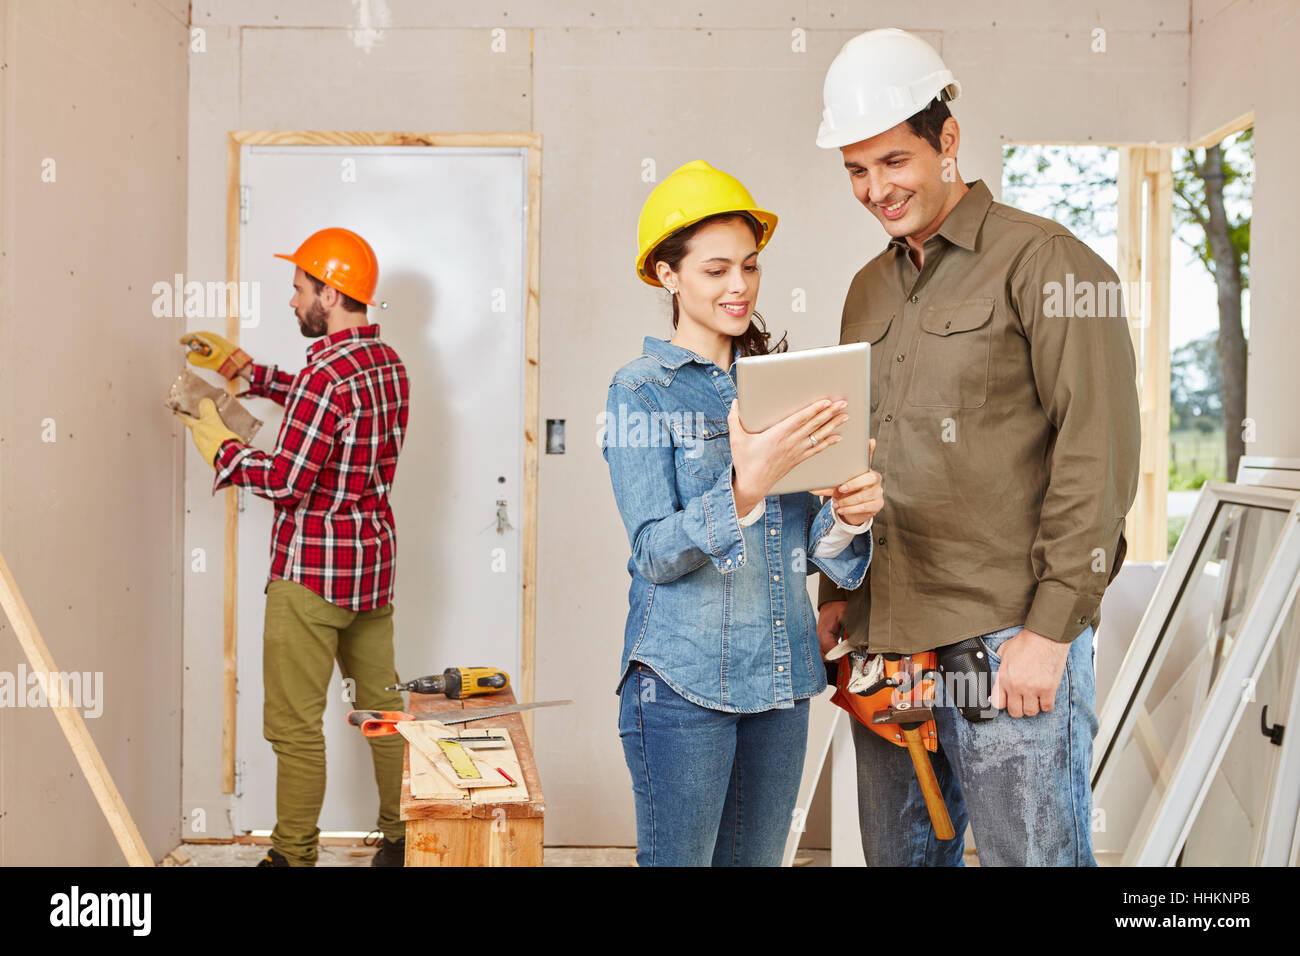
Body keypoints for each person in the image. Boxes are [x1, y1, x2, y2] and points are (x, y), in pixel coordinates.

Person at [813, 29, 1141, 865]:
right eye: (856, 170)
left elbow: (1097, 453)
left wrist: (1052, 631)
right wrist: (837, 594)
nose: (875, 189)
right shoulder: (866, 290)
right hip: (891, 645)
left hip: (1006, 643)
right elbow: (858, 454)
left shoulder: (1049, 262)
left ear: (947, 140)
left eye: (893, 162)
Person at [602, 160, 883, 866]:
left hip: (782, 681)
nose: (739, 287)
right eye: (715, 269)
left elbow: (812, 548)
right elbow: (656, 553)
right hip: (681, 683)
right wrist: (742, 489)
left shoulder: (779, 384)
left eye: (750, 268)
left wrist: (850, 513)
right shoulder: (640, 392)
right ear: (667, 275)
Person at [176, 227, 411, 868]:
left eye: (299, 289)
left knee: (295, 729)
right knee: (383, 713)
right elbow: (321, 404)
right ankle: (399, 840)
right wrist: (242, 373)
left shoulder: (325, 376)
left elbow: (286, 480)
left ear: (329, 294)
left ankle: (291, 858)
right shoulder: (387, 365)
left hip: (309, 578)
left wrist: (219, 444)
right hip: (371, 570)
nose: (291, 301)